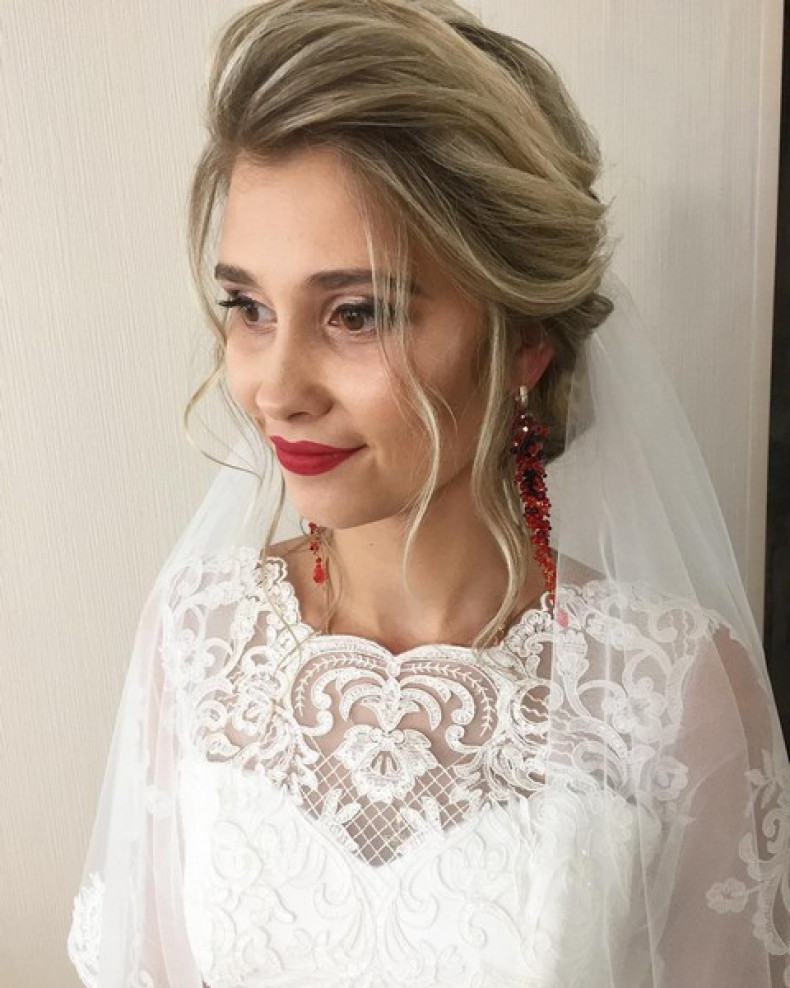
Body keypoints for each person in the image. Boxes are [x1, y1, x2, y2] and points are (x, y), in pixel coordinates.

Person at [67, 1, 790, 985]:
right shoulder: (198, 639)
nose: (276, 389)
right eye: (249, 307)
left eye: (356, 313)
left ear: (523, 340)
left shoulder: (669, 693)